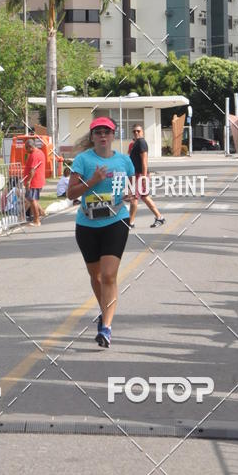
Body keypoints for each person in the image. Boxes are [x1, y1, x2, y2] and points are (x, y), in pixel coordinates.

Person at [67, 117, 134, 348]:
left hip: (116, 221)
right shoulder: (83, 160)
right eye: (98, 132)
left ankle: (106, 327)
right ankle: (105, 311)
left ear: (113, 135)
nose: (103, 135)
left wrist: (131, 195)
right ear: (92, 136)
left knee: (108, 275)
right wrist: (93, 180)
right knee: (96, 277)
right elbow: (70, 193)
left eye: (107, 131)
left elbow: (132, 187)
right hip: (87, 225)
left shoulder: (124, 160)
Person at [128, 126, 165, 228]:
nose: (136, 132)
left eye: (138, 131)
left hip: (140, 175)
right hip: (136, 174)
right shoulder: (136, 143)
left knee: (134, 198)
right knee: (144, 197)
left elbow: (144, 161)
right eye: (134, 131)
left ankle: (130, 223)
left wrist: (144, 177)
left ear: (142, 132)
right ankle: (160, 217)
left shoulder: (141, 143)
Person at [23, 139, 46, 226]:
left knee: (32, 200)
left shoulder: (34, 155)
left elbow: (33, 169)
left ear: (30, 147)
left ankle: (36, 221)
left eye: (26, 148)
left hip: (34, 181)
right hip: (37, 180)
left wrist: (28, 181)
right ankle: (42, 212)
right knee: (31, 199)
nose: (26, 150)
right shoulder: (40, 152)